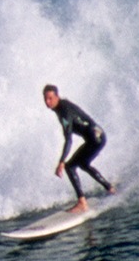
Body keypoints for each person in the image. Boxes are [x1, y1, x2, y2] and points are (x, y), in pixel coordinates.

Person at [43, 84, 116, 213]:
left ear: (57, 97)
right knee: (83, 164)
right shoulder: (63, 106)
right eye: (45, 99)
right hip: (99, 135)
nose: (47, 102)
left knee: (69, 166)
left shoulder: (64, 112)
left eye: (50, 98)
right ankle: (109, 188)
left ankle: (82, 202)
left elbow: (69, 140)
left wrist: (61, 162)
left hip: (95, 138)